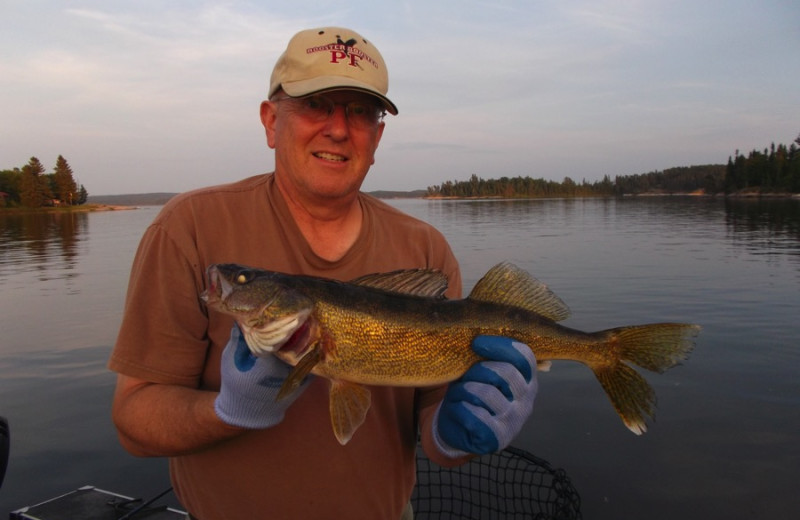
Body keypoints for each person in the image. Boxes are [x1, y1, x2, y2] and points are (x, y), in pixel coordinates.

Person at [109, 26, 538, 519]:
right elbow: (132, 424)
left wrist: (455, 434)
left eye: (361, 111)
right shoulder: (188, 228)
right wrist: (231, 411)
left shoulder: (425, 249)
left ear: (377, 137)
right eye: (316, 104)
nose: (339, 128)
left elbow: (432, 432)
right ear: (271, 121)